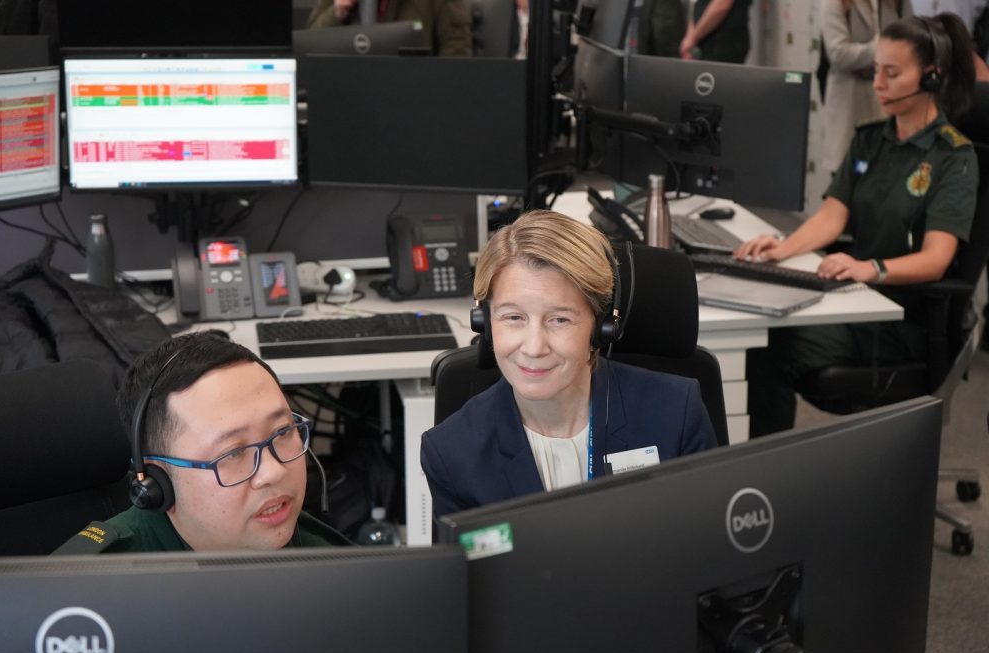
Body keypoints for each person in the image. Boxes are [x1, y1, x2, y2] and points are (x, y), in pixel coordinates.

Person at [735, 13, 979, 438]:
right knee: (762, 330)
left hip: (904, 319)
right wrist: (783, 247)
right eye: (876, 71)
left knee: (769, 348)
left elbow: (936, 260)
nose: (878, 84)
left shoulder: (953, 158)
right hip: (855, 301)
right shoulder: (870, 138)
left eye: (893, 73)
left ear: (932, 78)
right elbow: (833, 214)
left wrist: (874, 269)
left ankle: (760, 481)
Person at [421, 210, 717, 518]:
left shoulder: (675, 413)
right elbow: (469, 567)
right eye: (513, 318)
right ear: (484, 322)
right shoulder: (452, 453)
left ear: (601, 325)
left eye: (559, 319)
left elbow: (711, 548)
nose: (534, 347)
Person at [56, 331, 349, 553]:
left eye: (283, 432)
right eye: (233, 453)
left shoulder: (327, 559)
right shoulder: (86, 594)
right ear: (158, 484)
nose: (273, 472)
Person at [821, 0, 913, 176]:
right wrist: (884, 49)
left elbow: (910, 42)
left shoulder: (899, 3)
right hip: (849, 112)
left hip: (888, 115)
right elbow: (839, 54)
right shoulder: (835, 3)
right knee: (848, 185)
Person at [306, 0, 473, 56]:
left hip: (415, 98)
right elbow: (308, 45)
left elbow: (456, 50)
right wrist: (336, 12)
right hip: (351, 96)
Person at [679, 0, 753, 63]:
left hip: (724, 43)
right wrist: (691, 36)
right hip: (704, 42)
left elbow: (722, 4)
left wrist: (692, 38)